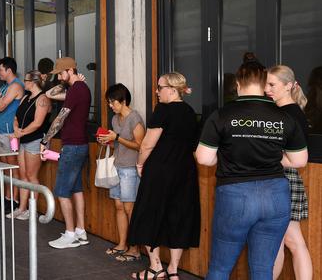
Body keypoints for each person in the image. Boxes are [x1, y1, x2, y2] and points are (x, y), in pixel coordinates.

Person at [195, 56, 308, 280]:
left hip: (236, 196)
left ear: (238, 85)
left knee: (220, 268)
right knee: (263, 270)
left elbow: (204, 158)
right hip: (276, 196)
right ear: (263, 84)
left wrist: (228, 155)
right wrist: (274, 158)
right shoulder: (283, 117)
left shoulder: (222, 115)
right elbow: (299, 161)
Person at [128, 72, 200, 280]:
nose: (157, 91)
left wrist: (140, 163)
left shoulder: (163, 110)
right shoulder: (189, 111)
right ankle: (173, 270)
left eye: (159, 87)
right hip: (185, 171)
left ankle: (155, 267)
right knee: (180, 217)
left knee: (150, 214)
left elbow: (148, 143)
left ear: (172, 89)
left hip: (160, 170)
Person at [265, 65, 313, 280]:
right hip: (276, 180)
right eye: (266, 84)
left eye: (272, 84)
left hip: (285, 180)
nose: (267, 89)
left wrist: (263, 158)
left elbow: (298, 159)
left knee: (293, 241)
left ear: (288, 86)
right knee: (278, 242)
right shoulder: (279, 112)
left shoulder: (292, 114)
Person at [39, 57, 91, 249]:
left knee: (61, 191)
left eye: (61, 73)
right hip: (79, 145)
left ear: (70, 70)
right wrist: (69, 81)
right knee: (75, 189)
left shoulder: (77, 90)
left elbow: (60, 118)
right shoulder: (78, 89)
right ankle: (80, 231)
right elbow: (49, 93)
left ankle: (70, 234)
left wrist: (45, 141)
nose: (59, 77)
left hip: (73, 147)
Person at [98, 83, 145, 262]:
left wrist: (117, 138)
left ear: (123, 101)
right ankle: (122, 244)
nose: (110, 106)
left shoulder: (135, 118)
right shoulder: (114, 119)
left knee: (129, 208)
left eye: (112, 102)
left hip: (131, 168)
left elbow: (140, 145)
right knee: (119, 207)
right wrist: (108, 141)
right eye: (109, 103)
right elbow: (118, 144)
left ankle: (135, 248)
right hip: (117, 165)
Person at [7, 70, 51, 221]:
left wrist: (21, 133)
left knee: (32, 176)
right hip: (23, 140)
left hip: (34, 140)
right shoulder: (25, 97)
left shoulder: (42, 99)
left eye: (25, 80)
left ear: (33, 82)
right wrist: (16, 129)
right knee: (23, 176)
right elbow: (16, 116)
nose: (23, 83)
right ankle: (22, 208)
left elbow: (38, 123)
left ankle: (32, 210)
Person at [0, 57, 25, 207]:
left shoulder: (16, 86)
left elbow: (1, 106)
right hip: (1, 131)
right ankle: (7, 197)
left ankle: (13, 200)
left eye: (0, 69)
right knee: (4, 167)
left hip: (11, 133)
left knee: (12, 166)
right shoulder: (4, 87)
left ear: (9, 70)